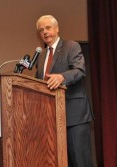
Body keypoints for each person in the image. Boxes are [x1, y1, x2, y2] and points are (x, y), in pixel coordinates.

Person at [35, 15, 94, 167]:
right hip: (52, 119)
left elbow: (80, 70)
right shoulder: (41, 56)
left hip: (75, 117)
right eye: (41, 30)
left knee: (81, 163)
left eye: (48, 28)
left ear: (57, 28)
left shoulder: (71, 46)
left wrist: (62, 77)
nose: (45, 32)